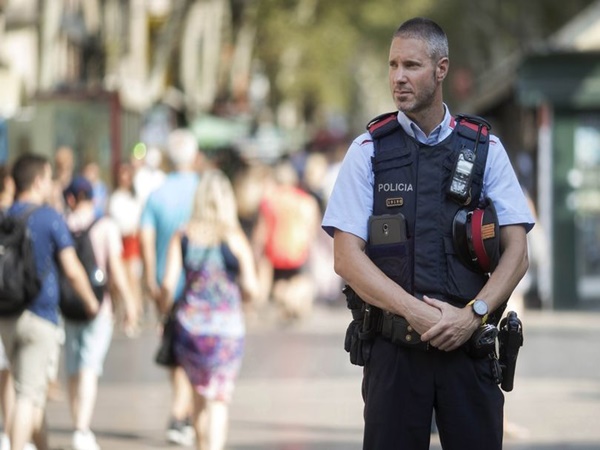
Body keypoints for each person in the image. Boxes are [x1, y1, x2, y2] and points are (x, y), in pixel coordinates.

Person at [321, 18, 535, 450]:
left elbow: (518, 252)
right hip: (394, 356)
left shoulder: (485, 150)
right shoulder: (367, 151)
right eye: (393, 65)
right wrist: (414, 313)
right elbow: (346, 257)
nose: (398, 77)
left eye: (411, 65)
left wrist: (473, 314)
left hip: (469, 351)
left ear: (441, 69)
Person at [0, 154, 99, 450]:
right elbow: (72, 268)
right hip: (40, 315)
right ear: (38, 181)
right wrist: (91, 301)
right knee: (27, 395)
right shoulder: (48, 217)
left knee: (28, 389)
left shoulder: (5, 217)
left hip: (7, 314)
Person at [160, 169, 258, 450]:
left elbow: (167, 285)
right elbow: (252, 287)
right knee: (219, 401)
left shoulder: (183, 235)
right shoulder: (234, 237)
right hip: (227, 332)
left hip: (191, 330)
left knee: (198, 399)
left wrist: (164, 310)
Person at [62, 176, 138, 450]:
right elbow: (115, 269)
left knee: (73, 368)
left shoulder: (63, 224)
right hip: (98, 306)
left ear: (71, 198)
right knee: (89, 368)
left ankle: (77, 423)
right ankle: (82, 429)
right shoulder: (105, 226)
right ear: (93, 197)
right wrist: (129, 303)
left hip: (68, 306)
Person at [140, 129, 201, 446]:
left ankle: (182, 412)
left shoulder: (156, 195)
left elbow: (146, 240)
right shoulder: (204, 191)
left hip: (169, 286)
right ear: (195, 156)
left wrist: (150, 279)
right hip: (201, 286)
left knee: (176, 351)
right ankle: (184, 414)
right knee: (196, 352)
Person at [108, 161, 145, 329]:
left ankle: (134, 314)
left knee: (133, 278)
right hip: (119, 241)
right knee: (119, 279)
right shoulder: (115, 198)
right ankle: (122, 311)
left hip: (133, 242)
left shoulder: (135, 197)